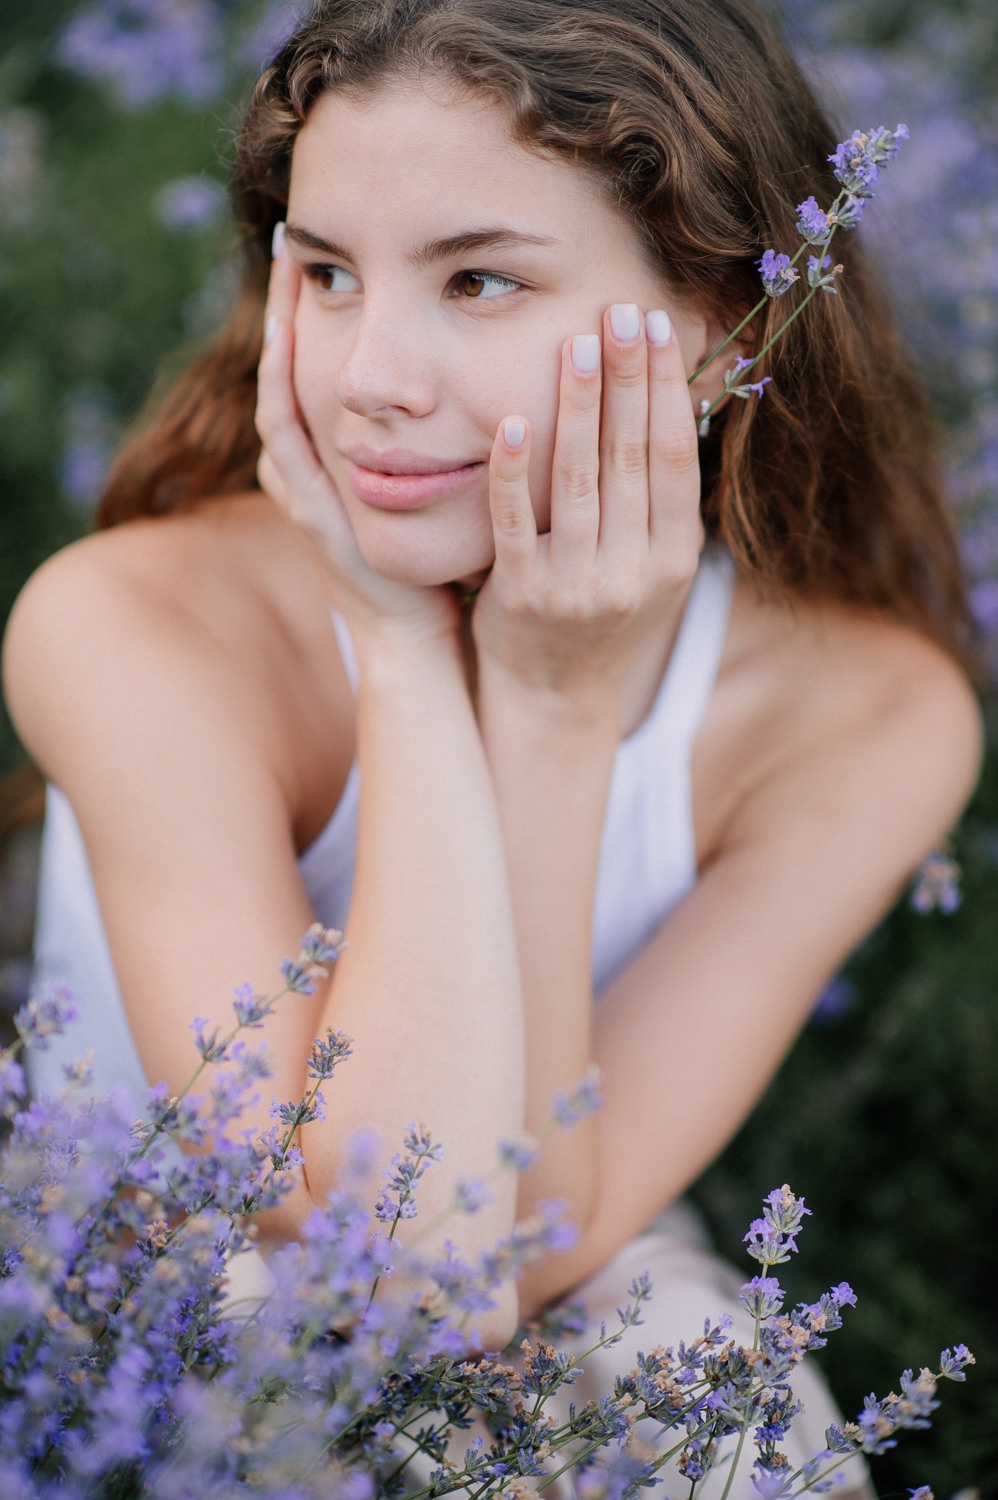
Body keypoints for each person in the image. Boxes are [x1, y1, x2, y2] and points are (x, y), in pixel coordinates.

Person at [1, 0, 982, 1491]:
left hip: (563, 1234)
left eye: (477, 280)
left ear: (718, 329)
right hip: (126, 1238)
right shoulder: (134, 624)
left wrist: (551, 702)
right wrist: (409, 655)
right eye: (325, 272)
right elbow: (384, 1269)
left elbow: (505, 1256)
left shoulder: (863, 719)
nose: (372, 374)